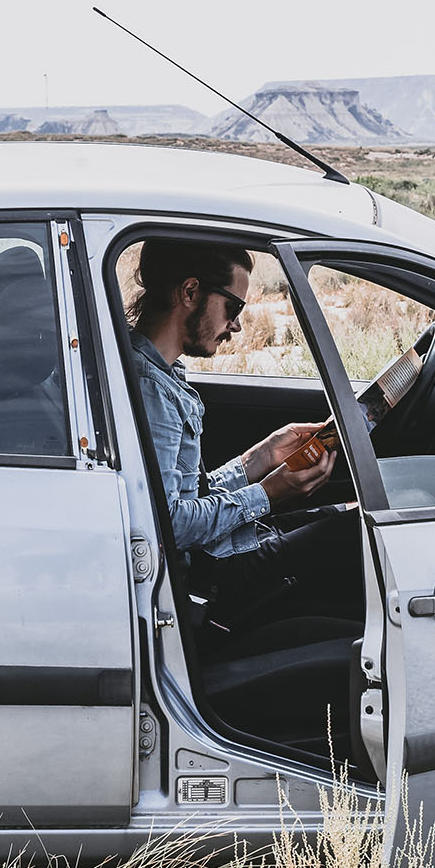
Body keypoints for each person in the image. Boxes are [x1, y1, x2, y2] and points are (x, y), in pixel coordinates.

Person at [126, 238, 363, 629]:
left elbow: (185, 495)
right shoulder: (152, 388)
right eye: (233, 307)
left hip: (216, 553)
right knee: (356, 536)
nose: (235, 325)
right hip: (207, 579)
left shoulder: (162, 372)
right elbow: (168, 524)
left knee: (346, 517)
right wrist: (269, 493)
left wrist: (260, 458)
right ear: (190, 292)